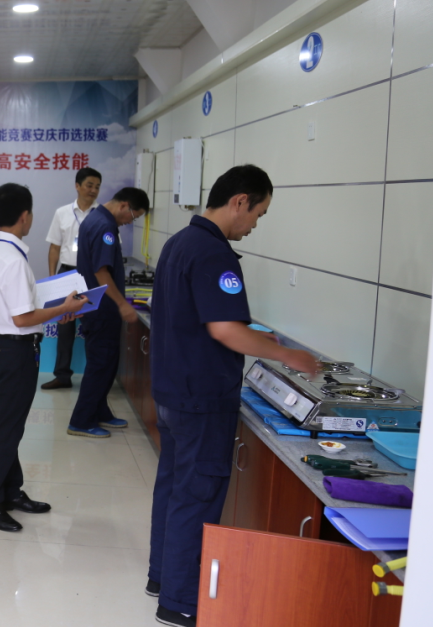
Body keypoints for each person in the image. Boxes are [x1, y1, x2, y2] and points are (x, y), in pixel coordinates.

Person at [146, 165, 318, 627]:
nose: (255, 224)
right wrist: (288, 355)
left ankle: (162, 578)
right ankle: (180, 601)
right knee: (197, 496)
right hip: (201, 400)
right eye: (258, 213)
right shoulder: (214, 253)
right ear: (240, 201)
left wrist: (259, 339)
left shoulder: (178, 243)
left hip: (172, 393)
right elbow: (225, 329)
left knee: (174, 489)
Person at [0, 183, 87, 532]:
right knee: (7, 428)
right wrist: (63, 309)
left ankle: (11, 491)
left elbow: (23, 308)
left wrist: (55, 310)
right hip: (15, 350)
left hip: (9, 348)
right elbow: (22, 318)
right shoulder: (11, 258)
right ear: (26, 216)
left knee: (12, 425)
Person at [66, 187, 150, 438]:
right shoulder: (106, 227)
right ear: (124, 205)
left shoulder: (94, 218)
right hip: (102, 308)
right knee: (101, 365)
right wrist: (122, 304)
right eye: (133, 216)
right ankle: (81, 421)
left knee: (105, 363)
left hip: (96, 305)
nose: (130, 222)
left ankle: (100, 411)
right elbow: (101, 271)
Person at [42, 167, 101, 390]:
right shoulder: (62, 213)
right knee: (65, 327)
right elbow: (54, 248)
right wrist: (52, 278)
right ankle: (62, 376)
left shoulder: (102, 214)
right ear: (77, 186)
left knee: (93, 327)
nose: (93, 190)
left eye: (97, 187)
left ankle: (94, 379)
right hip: (66, 273)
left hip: (92, 274)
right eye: (89, 185)